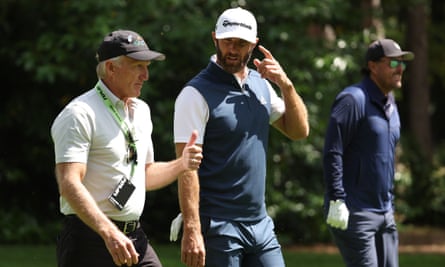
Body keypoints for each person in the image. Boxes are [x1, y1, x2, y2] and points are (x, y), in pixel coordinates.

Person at [51, 29, 203, 267]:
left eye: (147, 67)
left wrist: (181, 164)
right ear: (111, 68)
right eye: (137, 66)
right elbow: (69, 183)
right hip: (89, 239)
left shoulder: (141, 111)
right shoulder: (79, 114)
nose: (146, 75)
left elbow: (145, 175)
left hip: (134, 238)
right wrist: (109, 233)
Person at [172, 7, 309, 267]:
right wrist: (192, 228)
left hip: (260, 223)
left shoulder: (261, 84)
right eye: (227, 41)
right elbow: (186, 168)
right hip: (218, 227)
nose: (233, 49)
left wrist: (287, 86)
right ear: (215, 39)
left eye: (241, 43)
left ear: (254, 45)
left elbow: (298, 131)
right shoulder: (195, 94)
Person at [323, 39, 414, 267]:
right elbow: (333, 151)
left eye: (402, 63)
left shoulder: (391, 104)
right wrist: (336, 199)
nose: (400, 69)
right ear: (373, 66)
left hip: (385, 212)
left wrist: (389, 204)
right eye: (393, 63)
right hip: (356, 212)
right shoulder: (353, 99)